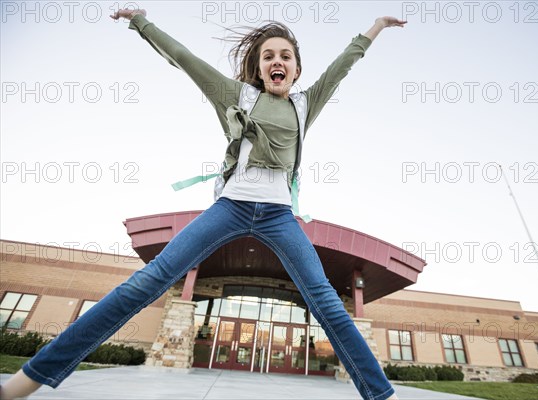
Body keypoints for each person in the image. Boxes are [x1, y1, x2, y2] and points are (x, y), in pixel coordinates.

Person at [0, 8, 406, 400]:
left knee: (325, 300)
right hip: (230, 208)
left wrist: (376, 27)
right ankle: (30, 379)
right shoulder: (238, 95)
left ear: (296, 69)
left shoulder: (305, 104)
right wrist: (141, 22)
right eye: (268, 56)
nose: (276, 61)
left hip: (280, 216)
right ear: (259, 66)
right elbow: (184, 59)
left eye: (285, 56)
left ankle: (379, 394)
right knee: (149, 280)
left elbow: (344, 65)